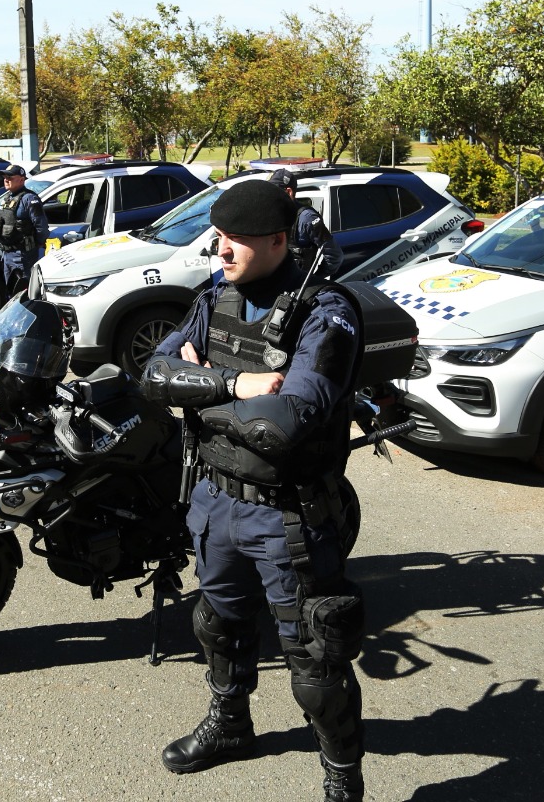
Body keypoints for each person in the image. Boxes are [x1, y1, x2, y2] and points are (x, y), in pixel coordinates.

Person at [141, 180, 367, 802]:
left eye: (236, 239)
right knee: (218, 624)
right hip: (215, 500)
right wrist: (235, 388)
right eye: (218, 237)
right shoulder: (213, 299)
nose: (221, 250)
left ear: (278, 240)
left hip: (289, 518)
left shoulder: (326, 313)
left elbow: (283, 427)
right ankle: (231, 724)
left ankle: (342, 775)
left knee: (315, 660)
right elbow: (154, 376)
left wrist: (195, 394)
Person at [270, 168, 343, 278]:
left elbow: (334, 255)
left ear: (289, 192)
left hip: (296, 288)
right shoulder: (271, 214)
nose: (268, 196)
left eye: (273, 192)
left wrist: (315, 280)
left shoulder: (307, 218)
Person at [0, 165, 49, 293]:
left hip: (23, 256)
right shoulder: (7, 199)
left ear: (21, 180)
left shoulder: (29, 199)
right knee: (11, 293)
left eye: (10, 177)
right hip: (7, 255)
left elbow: (41, 227)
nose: (6, 180)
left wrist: (35, 245)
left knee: (25, 293)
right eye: (5, 177)